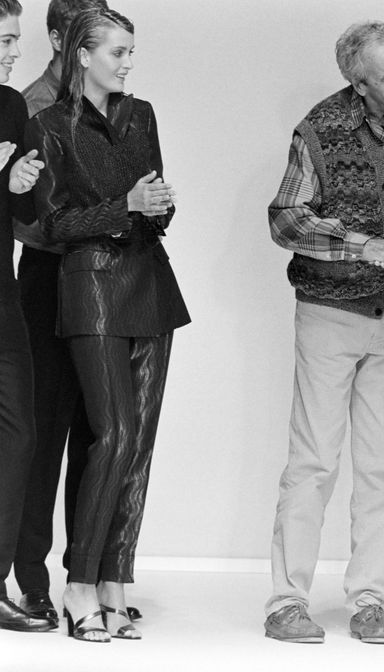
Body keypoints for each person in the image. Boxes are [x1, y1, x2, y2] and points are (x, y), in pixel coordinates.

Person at [264, 20, 384, 646]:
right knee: (312, 462)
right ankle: (286, 603)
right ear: (358, 84)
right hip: (330, 315)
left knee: (381, 468)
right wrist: (362, 244)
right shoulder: (319, 128)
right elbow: (285, 219)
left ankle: (369, 601)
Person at [26, 7, 189, 642]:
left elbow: (154, 200)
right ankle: (78, 583)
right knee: (113, 434)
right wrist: (125, 206)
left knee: (139, 444)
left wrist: (158, 206)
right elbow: (52, 224)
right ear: (82, 55)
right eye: (117, 52)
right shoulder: (49, 124)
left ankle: (115, 580)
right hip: (91, 285)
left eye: (130, 51)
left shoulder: (141, 114)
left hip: (150, 283)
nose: (127, 63)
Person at [13, 0, 115, 629]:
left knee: (98, 431)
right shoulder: (29, 107)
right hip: (49, 278)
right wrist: (96, 217)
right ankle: (31, 580)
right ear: (58, 38)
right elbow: (23, 217)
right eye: (85, 32)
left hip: (107, 277)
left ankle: (87, 575)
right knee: (43, 433)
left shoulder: (113, 105)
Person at [0, 0, 53, 634]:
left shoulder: (12, 105)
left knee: (18, 435)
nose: (15, 51)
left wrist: (20, 184)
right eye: (5, 40)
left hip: (2, 294)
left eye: (15, 39)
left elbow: (23, 215)